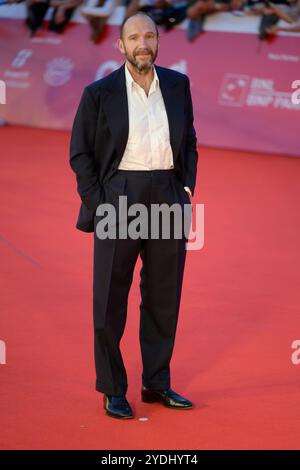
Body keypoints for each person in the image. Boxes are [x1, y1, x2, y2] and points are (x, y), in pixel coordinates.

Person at [69, 11, 198, 419]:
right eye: (134, 38)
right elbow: (80, 153)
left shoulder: (178, 85)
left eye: (149, 36)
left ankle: (157, 382)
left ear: (158, 41)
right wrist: (99, 202)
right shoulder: (99, 92)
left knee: (164, 299)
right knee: (109, 299)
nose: (142, 44)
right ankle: (112, 388)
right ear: (120, 46)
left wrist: (186, 190)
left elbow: (190, 141)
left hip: (167, 195)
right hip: (118, 195)